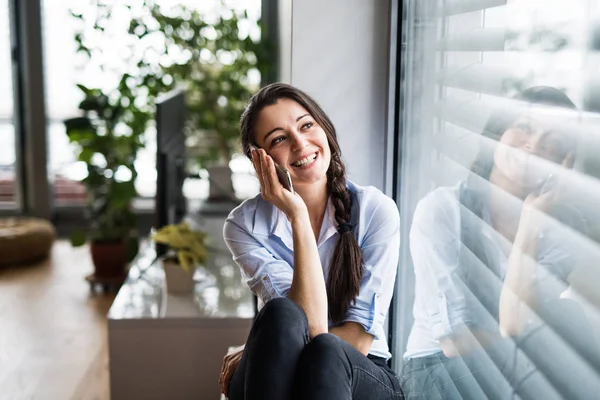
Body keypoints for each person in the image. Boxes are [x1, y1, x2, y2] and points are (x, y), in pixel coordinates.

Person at [401, 86, 599, 399]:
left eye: (553, 143)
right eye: (524, 127)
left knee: (569, 317)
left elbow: (515, 321)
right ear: (497, 133)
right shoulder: (443, 210)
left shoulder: (559, 231)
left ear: (563, 162)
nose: (533, 146)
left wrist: (532, 223)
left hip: (517, 364)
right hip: (439, 372)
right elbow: (456, 343)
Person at [219, 83, 403, 400]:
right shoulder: (244, 225)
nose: (301, 143)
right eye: (279, 138)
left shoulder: (375, 210)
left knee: (327, 351)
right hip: (282, 365)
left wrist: (257, 347)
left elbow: (355, 341)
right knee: (281, 314)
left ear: (324, 127)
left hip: (358, 371)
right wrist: (297, 216)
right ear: (259, 160)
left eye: (306, 125)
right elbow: (302, 324)